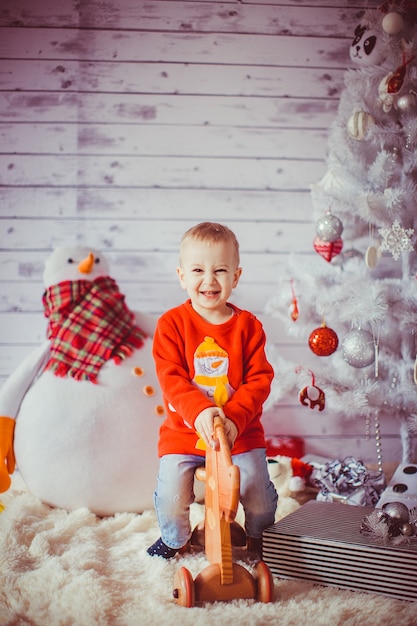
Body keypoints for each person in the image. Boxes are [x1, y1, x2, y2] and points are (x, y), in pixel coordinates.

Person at [147, 221, 277, 559]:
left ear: (235, 277)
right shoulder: (171, 325)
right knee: (172, 494)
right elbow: (171, 377)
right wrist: (201, 411)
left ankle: (260, 537)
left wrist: (233, 419)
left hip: (241, 434)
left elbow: (259, 380)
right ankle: (175, 538)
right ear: (182, 276)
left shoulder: (249, 327)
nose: (209, 280)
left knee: (257, 492)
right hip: (184, 434)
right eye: (198, 270)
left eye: (220, 270)